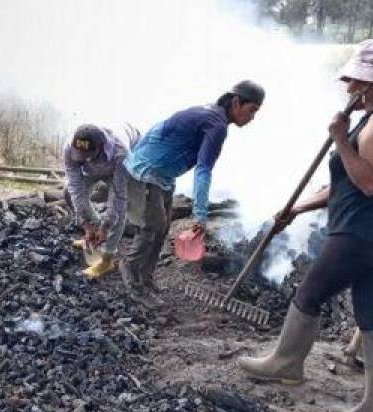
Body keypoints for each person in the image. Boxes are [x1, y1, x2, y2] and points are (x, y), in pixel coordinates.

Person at [237, 40, 373, 412]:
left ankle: (286, 363)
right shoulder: (372, 119)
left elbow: (368, 183)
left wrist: (339, 139)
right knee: (370, 317)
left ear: (370, 82)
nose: (348, 89)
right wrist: (296, 209)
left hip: (358, 234)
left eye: (354, 82)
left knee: (309, 294)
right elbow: (345, 184)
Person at [122, 81, 264, 307]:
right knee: (151, 229)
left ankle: (146, 279)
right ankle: (132, 278)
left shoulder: (211, 116)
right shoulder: (216, 125)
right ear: (237, 102)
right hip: (146, 173)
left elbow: (160, 129)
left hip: (162, 176)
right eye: (252, 110)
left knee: (162, 229)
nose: (253, 118)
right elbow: (203, 170)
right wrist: (200, 215)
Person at [63, 124, 139, 278]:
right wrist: (87, 224)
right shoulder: (69, 148)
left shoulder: (121, 153)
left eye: (87, 157)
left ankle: (107, 258)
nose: (82, 160)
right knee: (67, 192)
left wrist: (105, 227)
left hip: (117, 166)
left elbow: (118, 198)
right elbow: (75, 187)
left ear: (101, 147)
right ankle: (95, 232)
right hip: (95, 167)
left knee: (119, 210)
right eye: (80, 156)